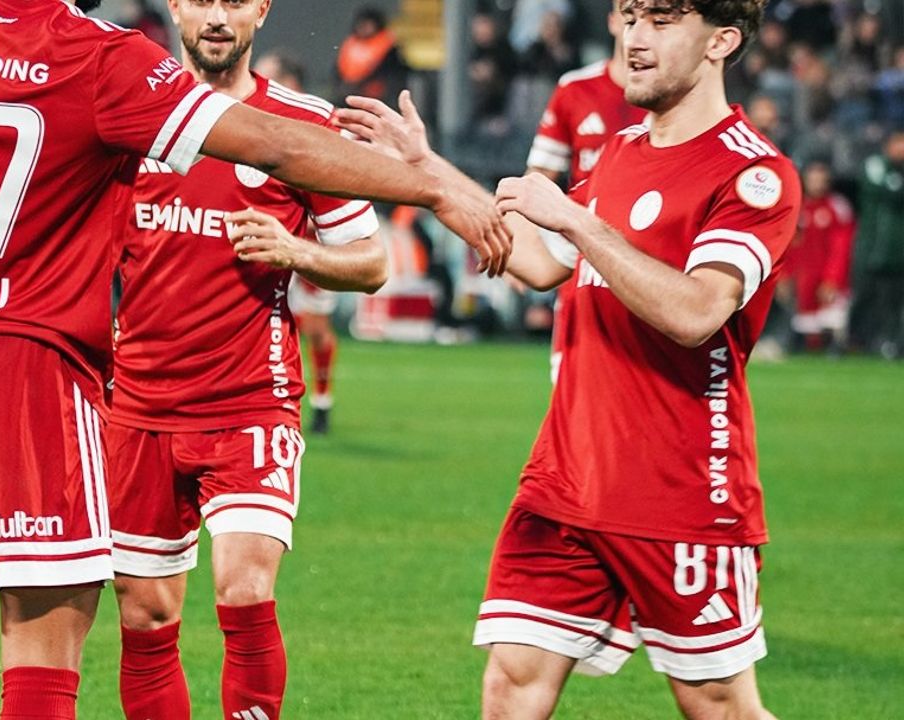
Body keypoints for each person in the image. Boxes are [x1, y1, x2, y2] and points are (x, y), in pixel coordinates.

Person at [0, 1, 511, 718]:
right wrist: (435, 188)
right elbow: (276, 147)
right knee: (43, 649)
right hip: (34, 370)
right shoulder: (101, 59)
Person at [337, 0, 799, 717]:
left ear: (722, 41)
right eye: (630, 17)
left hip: (680, 493)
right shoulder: (620, 151)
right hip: (565, 481)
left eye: (662, 21)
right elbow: (532, 257)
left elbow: (696, 312)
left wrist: (580, 223)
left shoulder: (753, 174)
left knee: (718, 704)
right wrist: (427, 172)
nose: (635, 38)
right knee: (511, 681)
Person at [106, 3, 384, 717]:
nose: (217, 16)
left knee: (245, 590)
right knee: (145, 615)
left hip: (250, 403)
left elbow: (372, 260)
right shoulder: (128, 113)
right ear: (175, 5)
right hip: (137, 407)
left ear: (261, 7)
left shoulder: (301, 125)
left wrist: (296, 251)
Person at [525, 0, 648, 383]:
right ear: (612, 22)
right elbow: (539, 176)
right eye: (629, 18)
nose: (637, 31)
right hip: (582, 251)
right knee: (571, 380)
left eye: (652, 20)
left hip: (648, 252)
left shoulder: (672, 98)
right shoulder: (575, 89)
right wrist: (522, 242)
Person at [256, 49, 343, 434]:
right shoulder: (251, 119)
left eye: (268, 74)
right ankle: (267, 397)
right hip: (265, 240)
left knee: (317, 328)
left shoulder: (316, 124)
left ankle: (322, 403)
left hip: (308, 242)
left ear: (289, 82)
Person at [783, 160, 854, 351]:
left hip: (829, 276)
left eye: (821, 180)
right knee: (807, 329)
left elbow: (841, 249)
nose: (817, 185)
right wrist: (784, 275)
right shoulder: (797, 206)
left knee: (832, 321)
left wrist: (833, 279)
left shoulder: (837, 207)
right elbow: (789, 245)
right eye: (813, 180)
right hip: (804, 278)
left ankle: (838, 348)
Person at [849, 130, 904, 359]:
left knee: (893, 301)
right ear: (887, 145)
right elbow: (887, 191)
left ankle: (890, 343)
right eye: (898, 143)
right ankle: (854, 341)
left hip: (897, 251)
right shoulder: (875, 164)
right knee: (863, 295)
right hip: (870, 246)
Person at [334, 6, 410, 103]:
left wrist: (360, 85)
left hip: (378, 97)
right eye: (361, 24)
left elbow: (388, 73)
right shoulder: (351, 43)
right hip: (349, 93)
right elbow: (338, 69)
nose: (363, 28)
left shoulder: (388, 46)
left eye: (368, 25)